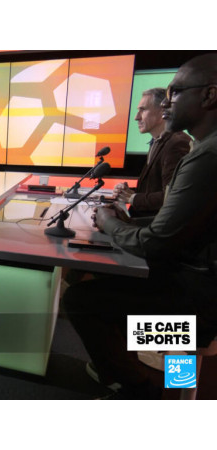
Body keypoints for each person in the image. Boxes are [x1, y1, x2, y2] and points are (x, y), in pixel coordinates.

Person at [63, 54, 217, 399]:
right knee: (106, 284)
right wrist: (127, 223)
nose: (167, 103)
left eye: (175, 93)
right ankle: (147, 376)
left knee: (82, 302)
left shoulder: (206, 156)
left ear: (209, 95)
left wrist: (109, 223)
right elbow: (184, 219)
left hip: (199, 302)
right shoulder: (202, 148)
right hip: (196, 282)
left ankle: (141, 388)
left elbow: (155, 243)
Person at [114, 88, 191, 217]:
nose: (136, 117)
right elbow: (155, 188)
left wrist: (133, 198)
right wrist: (127, 193)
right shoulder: (158, 141)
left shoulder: (176, 144)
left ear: (162, 112)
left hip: (156, 224)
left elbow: (172, 196)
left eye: (143, 110)